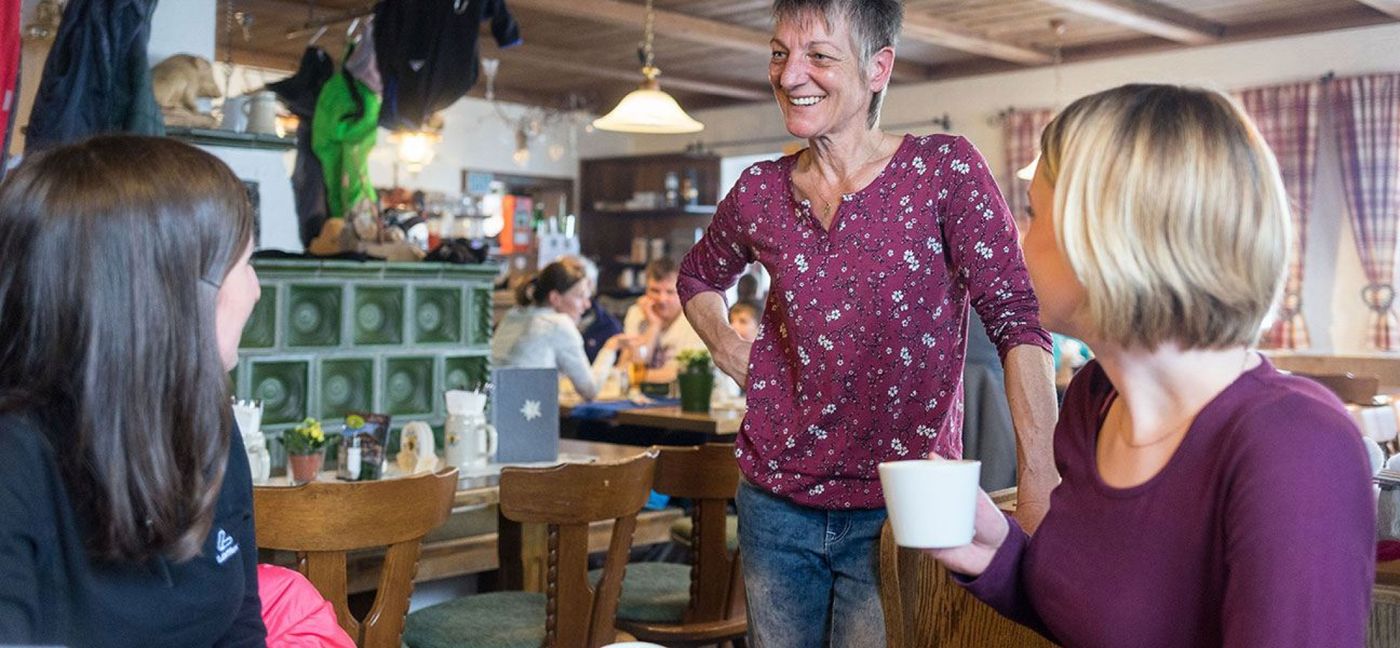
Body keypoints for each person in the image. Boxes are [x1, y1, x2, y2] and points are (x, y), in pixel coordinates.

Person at [933, 84, 1375, 647]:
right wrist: (998, 556)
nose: (1019, 242)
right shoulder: (1095, 400)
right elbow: (1107, 618)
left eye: (1034, 215)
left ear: (1106, 238)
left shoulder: (1294, 444)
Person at [676, 0, 1058, 643]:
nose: (790, 74)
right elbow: (697, 277)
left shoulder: (946, 171)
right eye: (779, 53)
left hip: (903, 509)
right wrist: (734, 353)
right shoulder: (759, 190)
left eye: (818, 55)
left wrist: (1040, 477)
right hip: (773, 502)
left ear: (878, 68)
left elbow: (1017, 319)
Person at [0, 135, 267, 646]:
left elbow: (240, 629)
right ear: (161, 291)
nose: (255, 291)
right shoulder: (14, 464)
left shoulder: (207, 420)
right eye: (244, 265)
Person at [491, 257, 621, 401]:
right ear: (555, 298)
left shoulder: (514, 314)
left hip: (494, 410)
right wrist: (610, 348)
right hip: (524, 416)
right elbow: (590, 390)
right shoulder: (558, 323)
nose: (587, 305)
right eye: (580, 296)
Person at [624, 257, 706, 385]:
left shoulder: (695, 319)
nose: (662, 299)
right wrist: (654, 326)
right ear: (645, 289)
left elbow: (681, 373)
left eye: (670, 292)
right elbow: (625, 365)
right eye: (655, 291)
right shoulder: (636, 313)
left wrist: (636, 375)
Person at [570, 255, 624, 363]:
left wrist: (609, 349)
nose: (586, 304)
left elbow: (617, 373)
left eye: (582, 293)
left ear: (591, 288)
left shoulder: (609, 327)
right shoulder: (542, 325)